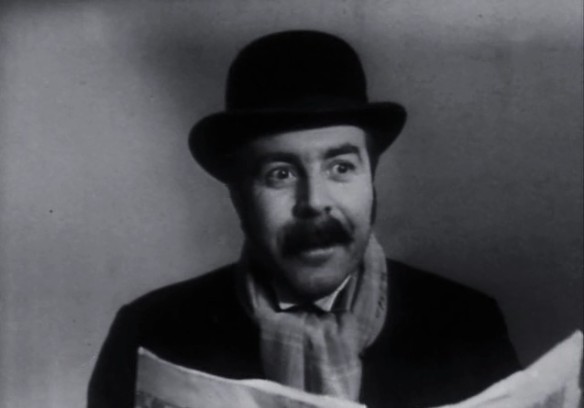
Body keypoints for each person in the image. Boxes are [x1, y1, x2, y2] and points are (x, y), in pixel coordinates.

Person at [88, 30, 521, 408]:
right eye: (280, 174)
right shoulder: (149, 333)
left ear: (371, 179)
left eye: (341, 168)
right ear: (239, 196)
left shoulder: (469, 324)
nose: (314, 202)